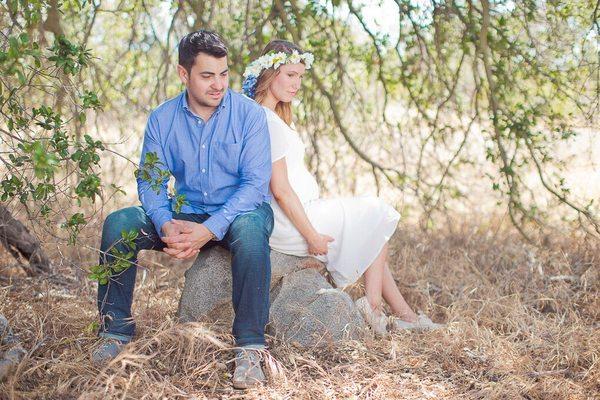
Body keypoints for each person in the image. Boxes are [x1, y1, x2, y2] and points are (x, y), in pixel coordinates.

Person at [93, 30, 273, 389]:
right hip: (184, 212)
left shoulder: (250, 116)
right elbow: (151, 182)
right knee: (119, 223)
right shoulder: (162, 119)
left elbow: (254, 186)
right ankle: (114, 333)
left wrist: (208, 230)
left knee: (252, 234)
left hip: (240, 212)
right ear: (183, 74)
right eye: (207, 75)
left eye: (223, 74)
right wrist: (165, 224)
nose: (218, 84)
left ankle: (250, 348)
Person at [242, 40, 442, 336]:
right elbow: (280, 189)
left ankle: (406, 316)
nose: (297, 84)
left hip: (298, 211)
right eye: (290, 75)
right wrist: (311, 235)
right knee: (376, 212)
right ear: (269, 74)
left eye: (300, 76)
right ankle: (373, 309)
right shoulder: (266, 121)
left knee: (371, 231)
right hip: (289, 221)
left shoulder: (268, 115)